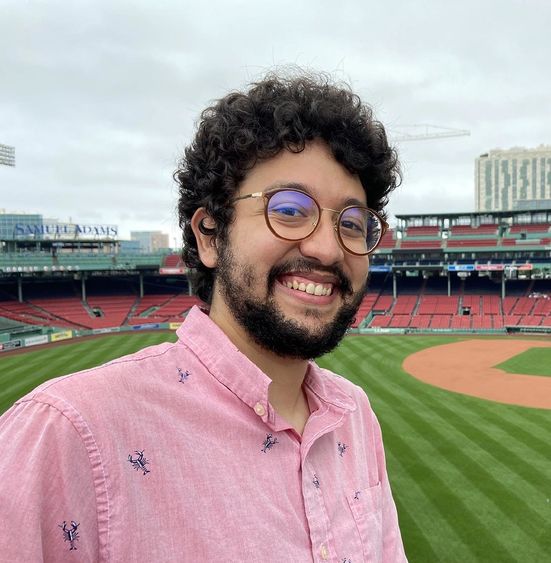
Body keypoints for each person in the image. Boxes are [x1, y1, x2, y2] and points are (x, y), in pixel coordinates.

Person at [0, 72, 407, 562]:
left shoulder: (354, 416)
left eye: (352, 222)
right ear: (210, 235)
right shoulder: (68, 434)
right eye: (290, 208)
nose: (326, 247)